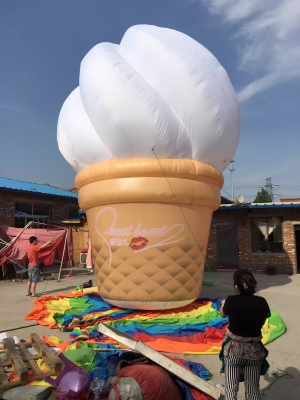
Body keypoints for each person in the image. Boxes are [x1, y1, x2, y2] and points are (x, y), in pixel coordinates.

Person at [219, 269, 271, 400]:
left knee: (230, 388)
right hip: (254, 352)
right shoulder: (262, 302)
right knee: (253, 390)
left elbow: (223, 314)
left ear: (236, 286)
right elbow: (263, 321)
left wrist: (224, 305)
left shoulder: (231, 300)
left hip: (233, 352)